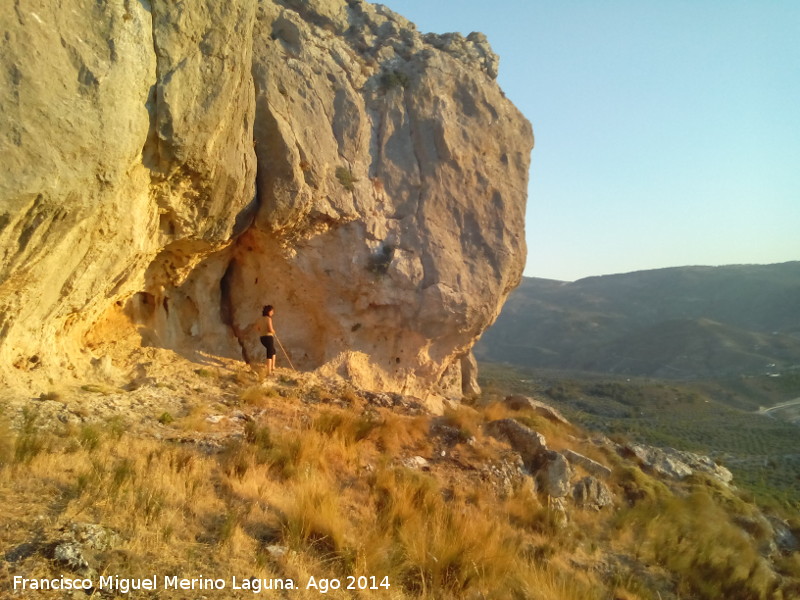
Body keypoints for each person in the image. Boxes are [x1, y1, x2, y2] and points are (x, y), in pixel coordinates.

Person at [259, 305, 277, 378]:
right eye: (272, 311)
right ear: (269, 312)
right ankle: (269, 371)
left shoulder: (260, 319)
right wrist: (273, 331)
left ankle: (273, 366)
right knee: (270, 352)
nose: (273, 312)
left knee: (273, 350)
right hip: (268, 337)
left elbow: (257, 328)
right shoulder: (268, 319)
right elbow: (270, 329)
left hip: (262, 338)